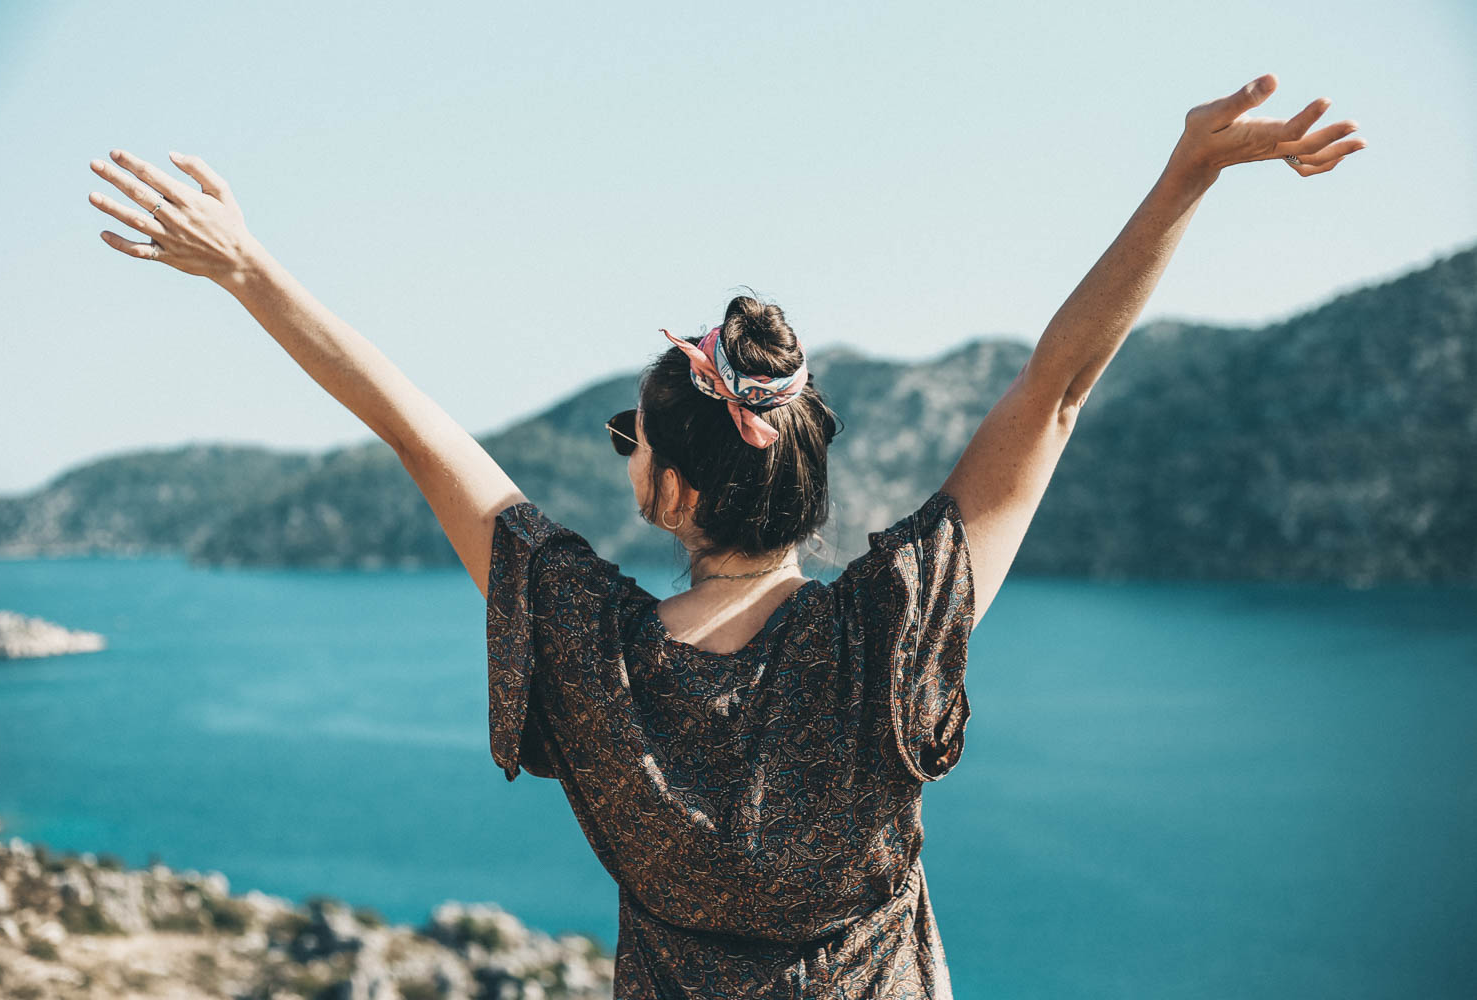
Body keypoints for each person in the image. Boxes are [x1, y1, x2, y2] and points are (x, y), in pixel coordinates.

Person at [87, 73, 1363, 997]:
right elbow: (1059, 389)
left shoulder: (596, 654)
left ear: (678, 492)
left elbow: (417, 430)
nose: (624, 451)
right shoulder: (887, 632)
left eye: (627, 436)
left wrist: (249, 269)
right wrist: (1188, 172)